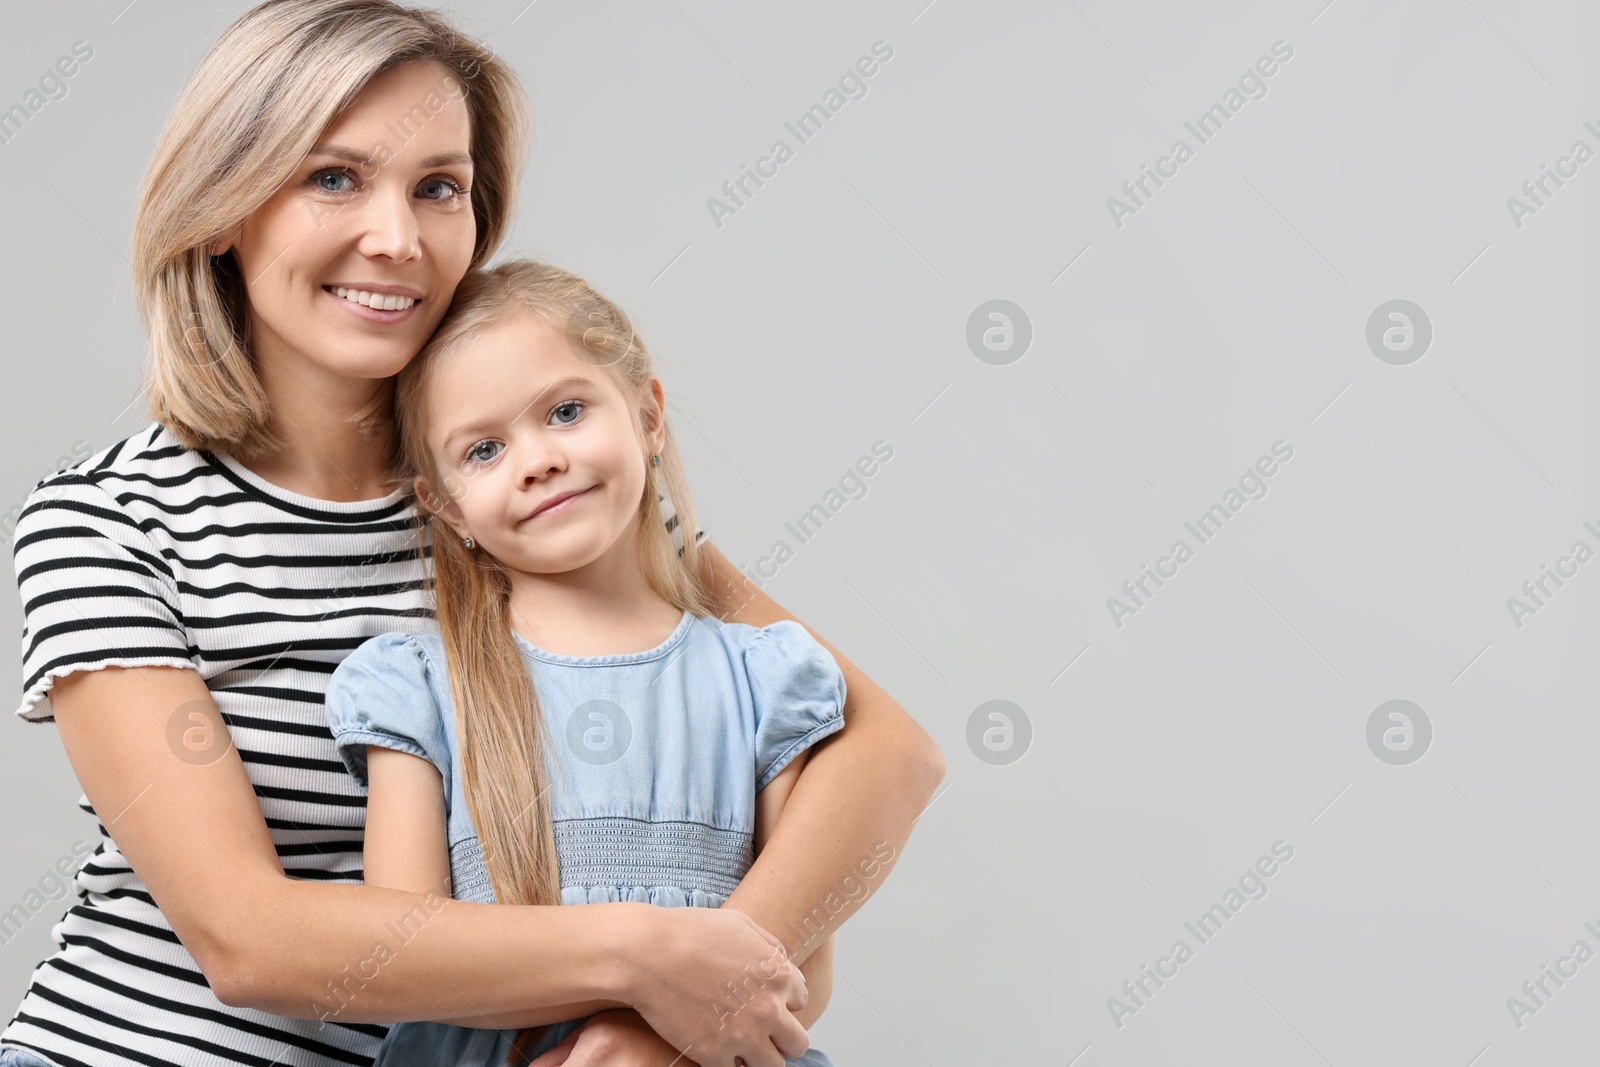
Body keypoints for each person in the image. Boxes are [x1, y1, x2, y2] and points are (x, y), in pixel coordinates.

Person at [1, 3, 944, 1066]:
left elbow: (886, 753)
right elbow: (248, 939)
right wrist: (644, 958)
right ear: (223, 207)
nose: (396, 238)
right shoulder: (107, 521)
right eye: (333, 177)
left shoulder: (530, 497)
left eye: (437, 188)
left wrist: (674, 1021)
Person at [324, 259, 858, 1066]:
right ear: (443, 505)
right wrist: (643, 973)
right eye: (484, 450)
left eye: (566, 411)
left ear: (648, 414)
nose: (536, 460)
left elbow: (799, 962)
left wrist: (654, 1037)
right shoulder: (420, 691)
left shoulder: (764, 679)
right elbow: (412, 953)